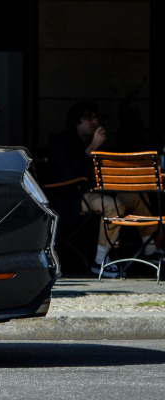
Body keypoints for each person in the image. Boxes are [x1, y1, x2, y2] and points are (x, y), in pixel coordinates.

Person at [46, 100, 159, 278]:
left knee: (137, 196)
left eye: (96, 117)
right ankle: (100, 262)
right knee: (113, 205)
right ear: (76, 120)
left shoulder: (91, 143)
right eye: (88, 117)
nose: (94, 122)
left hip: (93, 192)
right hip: (69, 197)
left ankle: (151, 251)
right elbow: (67, 175)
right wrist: (92, 149)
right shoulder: (61, 142)